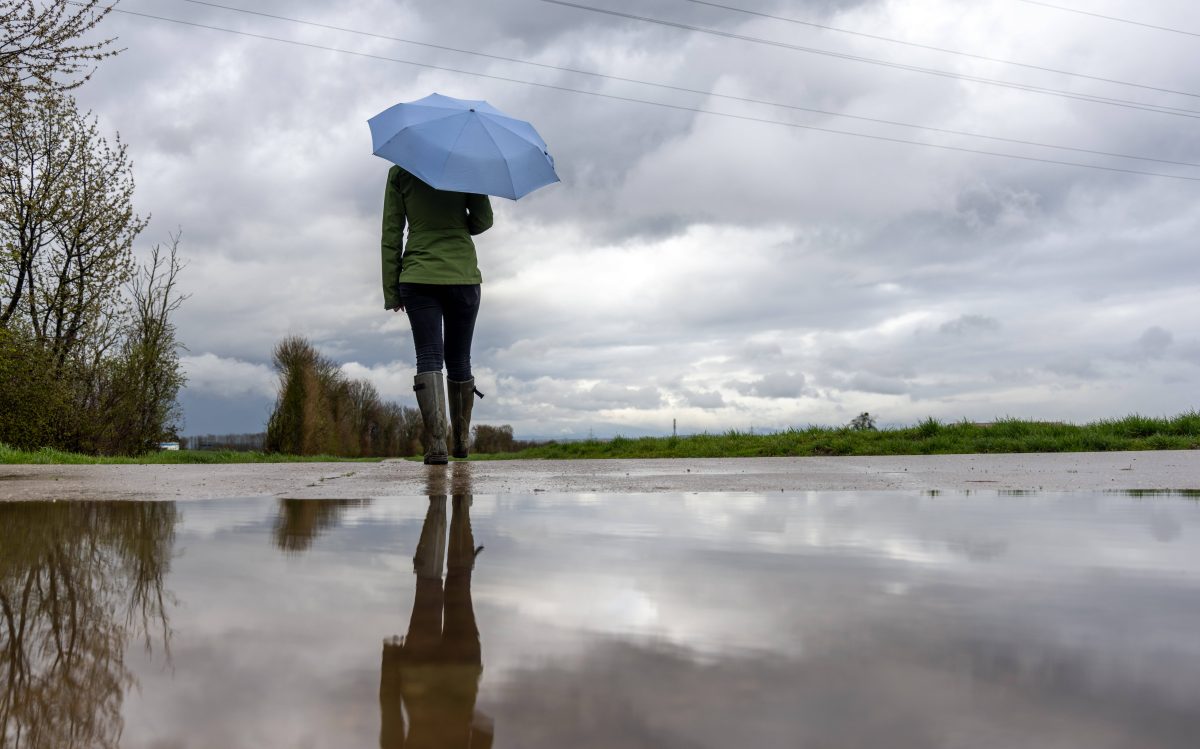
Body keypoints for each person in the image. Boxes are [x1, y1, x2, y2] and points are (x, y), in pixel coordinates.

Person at [381, 165, 493, 464]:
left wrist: (391, 290)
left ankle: (436, 446)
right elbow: (483, 221)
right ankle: (460, 443)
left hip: (418, 276)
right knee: (460, 359)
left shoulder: (400, 171)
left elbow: (391, 232)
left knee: (428, 357)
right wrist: (455, 227)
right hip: (463, 276)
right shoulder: (469, 168)